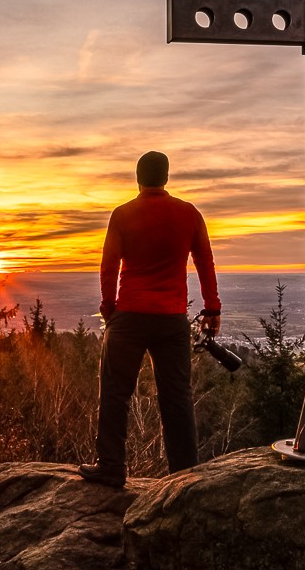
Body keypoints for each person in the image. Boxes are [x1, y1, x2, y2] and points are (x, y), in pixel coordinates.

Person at [79, 151, 221, 487]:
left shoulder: (123, 214)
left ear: (138, 178)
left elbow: (109, 264)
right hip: (171, 319)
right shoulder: (189, 214)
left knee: (115, 393)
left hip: (128, 316)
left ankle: (112, 467)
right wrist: (212, 308)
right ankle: (184, 475)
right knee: (177, 397)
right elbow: (205, 263)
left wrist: (108, 307)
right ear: (166, 178)